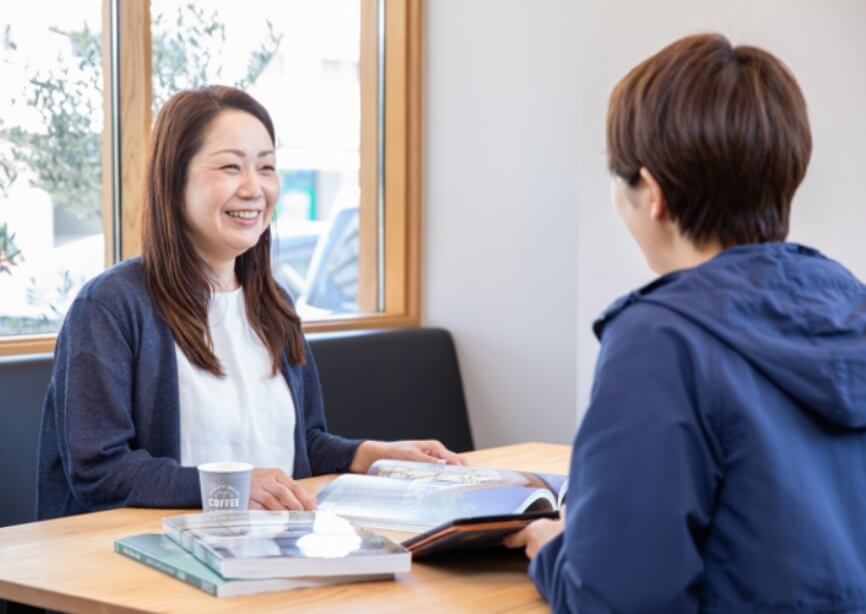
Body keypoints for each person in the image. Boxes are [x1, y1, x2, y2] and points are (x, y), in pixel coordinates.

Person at [504, 33, 866, 611]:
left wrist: (554, 549)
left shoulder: (658, 341)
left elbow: (616, 600)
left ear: (652, 193)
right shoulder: (850, 307)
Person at [36, 85, 463, 521]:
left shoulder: (274, 304)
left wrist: (372, 455)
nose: (254, 188)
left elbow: (296, 446)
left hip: (267, 548)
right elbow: (98, 471)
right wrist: (231, 487)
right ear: (174, 178)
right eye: (230, 167)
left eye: (266, 167)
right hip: (144, 561)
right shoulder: (110, 306)